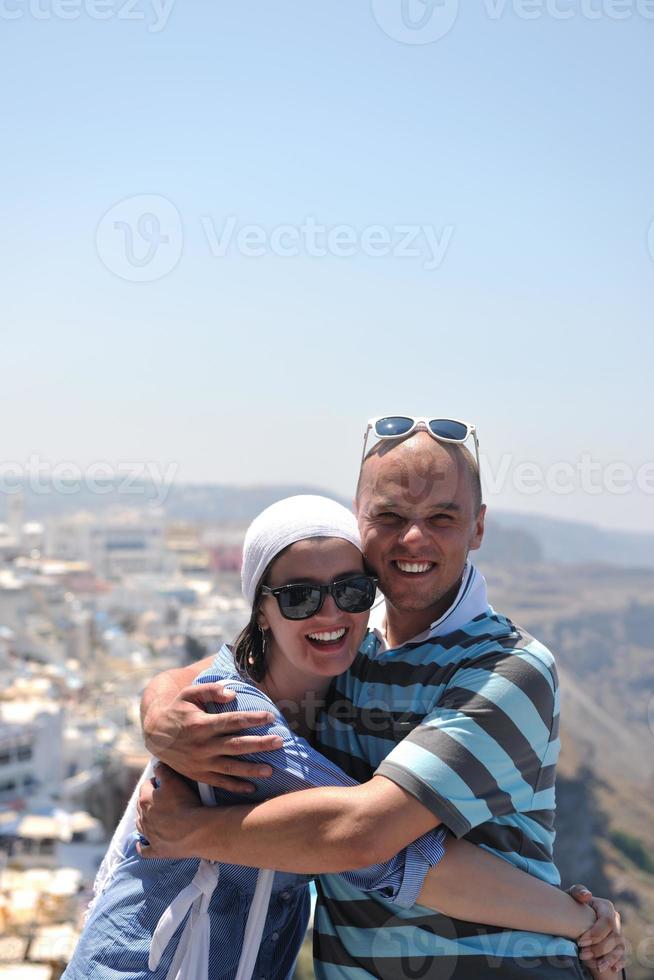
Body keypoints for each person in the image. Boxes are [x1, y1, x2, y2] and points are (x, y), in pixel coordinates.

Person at [138, 418, 626, 979]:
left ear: (479, 528)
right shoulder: (343, 639)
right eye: (390, 517)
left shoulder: (509, 670)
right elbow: (219, 674)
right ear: (360, 520)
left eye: (442, 517)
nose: (413, 539)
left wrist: (190, 831)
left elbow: (364, 835)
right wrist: (156, 708)